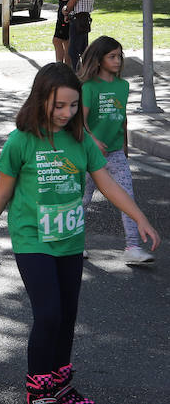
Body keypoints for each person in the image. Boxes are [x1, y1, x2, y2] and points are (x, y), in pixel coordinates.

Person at [0, 63, 160, 404]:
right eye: (59, 105)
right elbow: (2, 193)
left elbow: (106, 183)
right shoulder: (21, 141)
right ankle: (38, 394)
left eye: (73, 106)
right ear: (41, 100)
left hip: (70, 241)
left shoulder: (81, 141)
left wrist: (139, 216)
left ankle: (61, 385)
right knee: (49, 313)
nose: (66, 113)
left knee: (67, 316)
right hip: (32, 240)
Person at [79, 37, 151, 265]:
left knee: (127, 199)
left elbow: (122, 119)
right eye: (112, 56)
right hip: (90, 157)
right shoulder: (89, 87)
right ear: (99, 60)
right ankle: (75, 244)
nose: (118, 60)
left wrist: (125, 148)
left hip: (116, 155)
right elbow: (79, 121)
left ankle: (133, 247)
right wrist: (91, 140)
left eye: (119, 55)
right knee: (81, 201)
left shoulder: (123, 86)